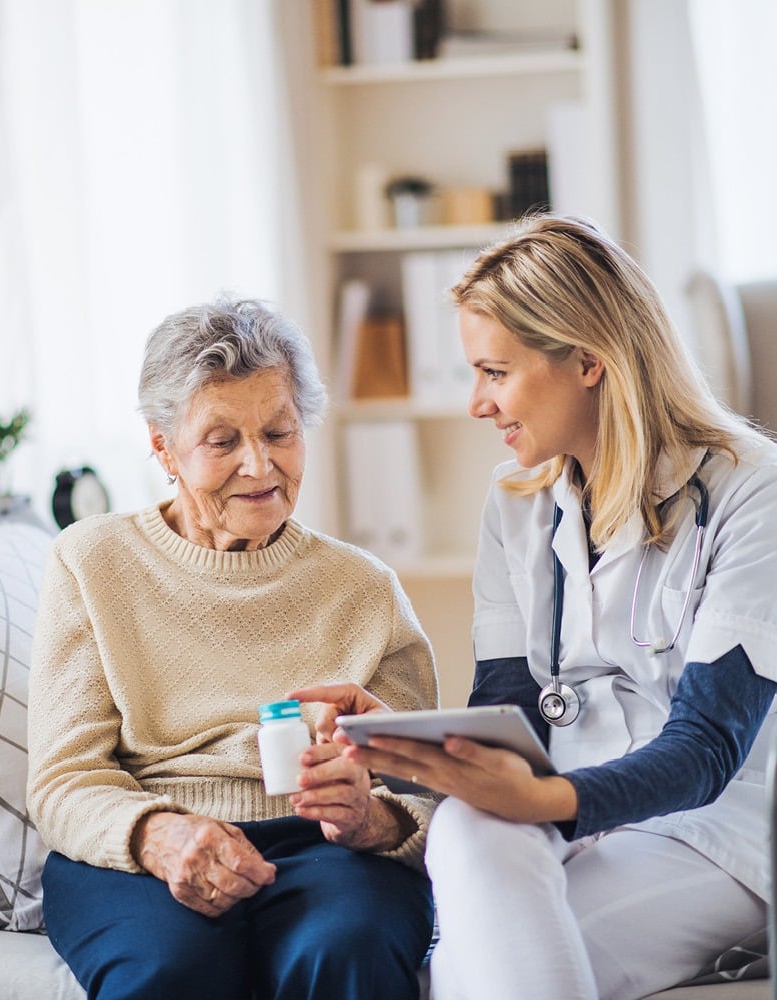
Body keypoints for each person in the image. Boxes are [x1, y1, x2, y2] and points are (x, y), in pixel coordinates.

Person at [293, 216, 777, 1000]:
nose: (478, 405)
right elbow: (510, 717)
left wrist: (545, 801)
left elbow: (707, 750)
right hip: (563, 816)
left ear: (587, 361)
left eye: (495, 371)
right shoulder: (516, 500)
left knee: (465, 971)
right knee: (468, 826)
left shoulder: (751, 492)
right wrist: (407, 746)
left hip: (709, 832)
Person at [26, 296, 439, 1000]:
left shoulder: (363, 588)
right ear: (162, 446)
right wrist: (159, 835)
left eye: (280, 431)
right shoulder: (90, 562)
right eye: (223, 441)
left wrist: (372, 816)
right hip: (147, 840)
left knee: (348, 952)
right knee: (168, 970)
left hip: (324, 846)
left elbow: (424, 791)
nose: (261, 465)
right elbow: (64, 780)